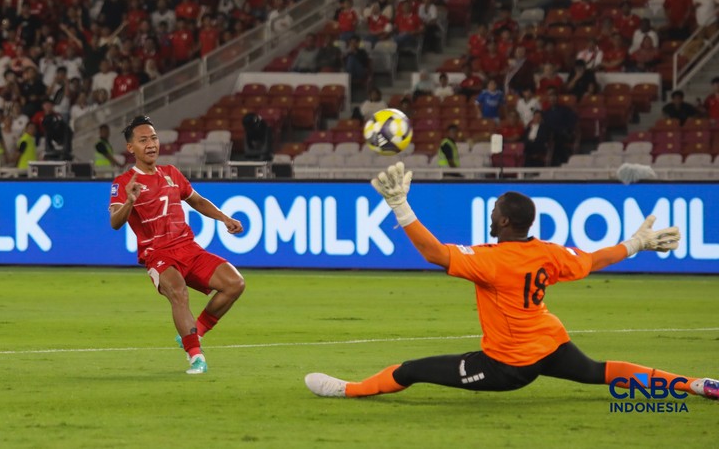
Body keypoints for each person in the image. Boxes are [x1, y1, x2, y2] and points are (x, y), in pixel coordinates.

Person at [305, 165, 719, 402]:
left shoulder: (492, 261)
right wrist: (636, 243)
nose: (492, 212)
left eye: (495, 209)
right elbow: (593, 259)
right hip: (549, 342)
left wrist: (400, 206)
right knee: (598, 371)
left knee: (413, 370)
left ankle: (348, 390)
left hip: (507, 366)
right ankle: (693, 384)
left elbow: (434, 253)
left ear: (504, 221)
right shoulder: (547, 252)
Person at [109, 116, 246, 375]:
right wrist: (129, 201)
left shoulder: (171, 173)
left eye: (154, 138)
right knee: (179, 292)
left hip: (188, 248)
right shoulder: (123, 182)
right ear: (131, 148)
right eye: (143, 140)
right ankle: (196, 356)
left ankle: (197, 331)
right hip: (158, 254)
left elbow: (197, 201)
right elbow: (115, 222)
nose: (151, 144)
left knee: (235, 283)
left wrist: (224, 218)